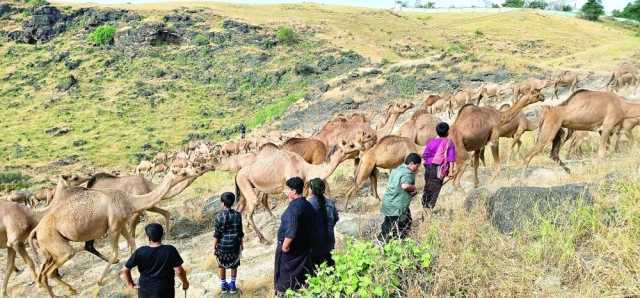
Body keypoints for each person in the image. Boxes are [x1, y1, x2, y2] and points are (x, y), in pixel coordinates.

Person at [121, 223, 189, 298]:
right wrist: (185, 282)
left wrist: (131, 284)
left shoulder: (140, 251)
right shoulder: (170, 250)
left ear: (148, 237)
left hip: (145, 292)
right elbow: (179, 271)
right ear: (162, 235)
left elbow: (125, 270)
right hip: (165, 291)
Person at [274, 177, 316, 296]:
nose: (286, 192)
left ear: (293, 191)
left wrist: (285, 246)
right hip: (303, 248)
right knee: (301, 277)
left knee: (284, 278)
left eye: (287, 189)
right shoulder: (308, 205)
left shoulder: (294, 207)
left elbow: (292, 229)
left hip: (291, 250)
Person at [377, 153, 421, 242]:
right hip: (396, 205)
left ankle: (397, 239)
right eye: (417, 166)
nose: (417, 168)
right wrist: (414, 188)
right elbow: (405, 186)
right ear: (411, 163)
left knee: (406, 221)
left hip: (391, 201)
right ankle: (381, 241)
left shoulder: (397, 168)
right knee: (389, 224)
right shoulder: (407, 172)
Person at [421, 122, 456, 214]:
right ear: (448, 132)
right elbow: (451, 158)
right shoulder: (449, 143)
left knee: (428, 187)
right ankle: (429, 209)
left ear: (437, 132)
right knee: (436, 189)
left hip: (428, 167)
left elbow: (424, 155)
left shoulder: (431, 142)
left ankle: (424, 206)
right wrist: (451, 172)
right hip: (438, 169)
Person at [213, 192, 244, 294]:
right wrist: (241, 244)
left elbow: (217, 234)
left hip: (222, 247)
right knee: (234, 265)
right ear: (232, 202)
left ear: (222, 203)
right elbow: (240, 232)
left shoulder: (218, 216)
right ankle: (233, 286)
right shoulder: (238, 215)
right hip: (234, 245)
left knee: (222, 265)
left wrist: (214, 247)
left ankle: (223, 285)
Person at [308, 178, 339, 268]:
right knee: (330, 266)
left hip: (315, 245)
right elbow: (336, 219)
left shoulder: (309, 204)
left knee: (315, 269)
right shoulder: (330, 203)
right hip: (329, 242)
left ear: (311, 190)